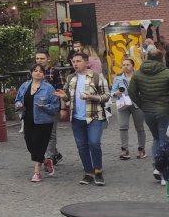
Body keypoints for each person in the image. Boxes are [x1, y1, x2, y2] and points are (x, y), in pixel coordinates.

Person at [66, 52, 109, 186]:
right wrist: (63, 97)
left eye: (78, 61)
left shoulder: (97, 77)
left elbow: (107, 96)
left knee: (94, 143)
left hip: (94, 116)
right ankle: (88, 172)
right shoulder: (70, 78)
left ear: (86, 63)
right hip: (77, 118)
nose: (75, 64)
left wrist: (92, 97)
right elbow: (68, 97)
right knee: (81, 146)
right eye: (73, 61)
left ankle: (98, 171)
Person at [128, 48, 169, 186]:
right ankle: (163, 172)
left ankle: (156, 167)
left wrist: (142, 104)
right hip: (164, 111)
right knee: (165, 141)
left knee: (157, 138)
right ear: (161, 59)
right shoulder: (167, 73)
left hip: (148, 111)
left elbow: (131, 92)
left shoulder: (138, 74)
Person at [14, 64, 62, 183]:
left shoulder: (48, 88)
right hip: (28, 119)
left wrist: (45, 107)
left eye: (40, 71)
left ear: (44, 74)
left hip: (44, 121)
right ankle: (46, 160)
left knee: (40, 145)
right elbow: (17, 100)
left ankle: (37, 172)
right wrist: (18, 105)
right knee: (30, 144)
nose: (38, 73)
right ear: (31, 73)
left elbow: (55, 105)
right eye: (35, 71)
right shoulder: (25, 86)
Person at [111, 57, 146, 161]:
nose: (125, 67)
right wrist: (116, 93)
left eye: (128, 65)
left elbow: (145, 89)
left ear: (133, 66)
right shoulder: (118, 78)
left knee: (139, 127)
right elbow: (112, 92)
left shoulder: (139, 76)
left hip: (136, 104)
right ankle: (125, 150)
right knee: (123, 126)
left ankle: (141, 149)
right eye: (124, 65)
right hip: (123, 104)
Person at [35, 50, 65, 170]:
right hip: (37, 108)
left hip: (52, 107)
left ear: (48, 59)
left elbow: (61, 91)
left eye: (42, 58)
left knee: (50, 134)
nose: (39, 61)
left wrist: (63, 108)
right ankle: (55, 153)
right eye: (37, 58)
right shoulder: (33, 72)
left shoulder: (56, 72)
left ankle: (49, 158)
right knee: (38, 135)